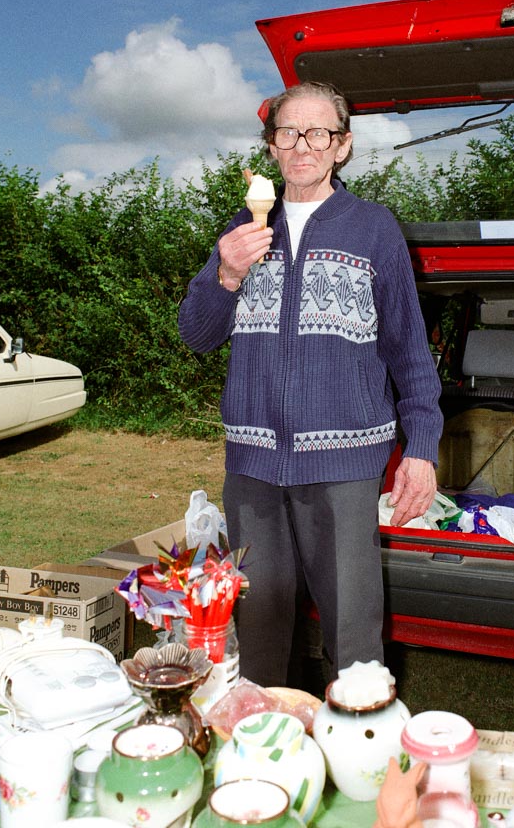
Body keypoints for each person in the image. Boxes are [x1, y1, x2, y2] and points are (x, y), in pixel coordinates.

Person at [178, 80, 443, 687]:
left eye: (318, 133)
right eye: (288, 132)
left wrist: (422, 449)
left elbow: (409, 350)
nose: (302, 145)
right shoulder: (242, 230)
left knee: (353, 633)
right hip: (253, 466)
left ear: (341, 146)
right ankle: (268, 737)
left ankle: (358, 732)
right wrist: (226, 275)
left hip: (345, 464)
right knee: (261, 628)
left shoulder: (373, 228)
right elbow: (196, 334)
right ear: (271, 146)